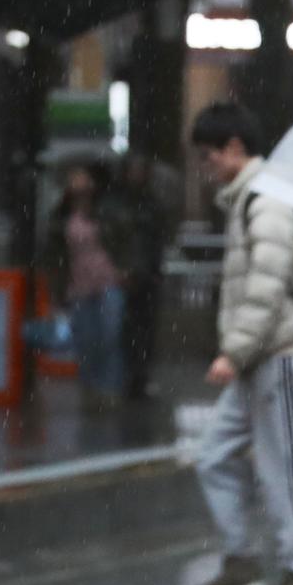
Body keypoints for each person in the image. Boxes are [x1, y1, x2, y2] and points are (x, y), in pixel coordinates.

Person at [190, 102, 293, 585]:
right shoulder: (250, 201)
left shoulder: (267, 203)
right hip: (259, 361)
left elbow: (265, 289)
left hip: (278, 359)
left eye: (210, 155)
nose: (207, 167)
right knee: (215, 457)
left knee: (282, 468)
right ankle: (241, 554)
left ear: (235, 148)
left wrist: (234, 351)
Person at [44, 162, 132, 406]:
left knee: (110, 335)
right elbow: (54, 254)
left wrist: (125, 269)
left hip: (108, 279)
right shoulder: (62, 215)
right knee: (85, 339)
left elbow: (124, 239)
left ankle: (110, 388)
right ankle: (90, 388)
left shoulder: (106, 210)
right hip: (78, 283)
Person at [118, 152, 168, 400]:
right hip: (125, 277)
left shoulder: (151, 204)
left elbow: (157, 240)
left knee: (144, 331)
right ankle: (128, 378)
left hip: (146, 276)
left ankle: (140, 377)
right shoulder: (120, 204)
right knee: (126, 331)